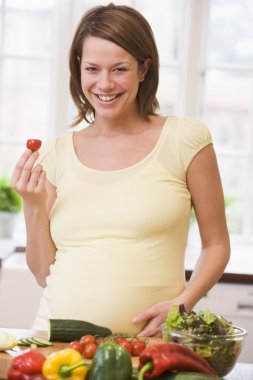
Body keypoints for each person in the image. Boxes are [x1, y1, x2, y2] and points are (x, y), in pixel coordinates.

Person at [11, 3, 230, 337]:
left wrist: (183, 302)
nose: (104, 84)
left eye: (119, 69)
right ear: (78, 69)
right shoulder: (55, 153)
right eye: (93, 69)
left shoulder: (185, 139)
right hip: (57, 345)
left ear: (144, 69)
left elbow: (216, 244)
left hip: (151, 348)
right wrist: (33, 205)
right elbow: (44, 274)